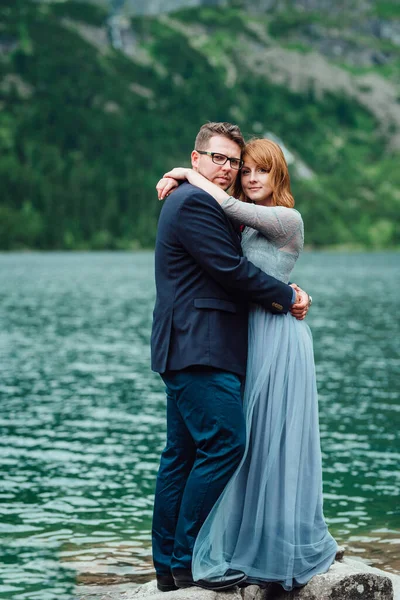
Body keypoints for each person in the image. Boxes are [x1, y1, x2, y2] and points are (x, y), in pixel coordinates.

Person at [157, 137, 338, 591]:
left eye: (258, 170)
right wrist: (186, 175)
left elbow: (246, 257)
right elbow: (232, 268)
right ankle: (185, 561)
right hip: (223, 341)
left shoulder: (282, 218)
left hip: (268, 339)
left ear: (280, 177)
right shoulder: (209, 207)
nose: (248, 176)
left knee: (257, 445)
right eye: (244, 169)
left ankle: (241, 548)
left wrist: (184, 173)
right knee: (220, 448)